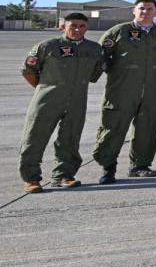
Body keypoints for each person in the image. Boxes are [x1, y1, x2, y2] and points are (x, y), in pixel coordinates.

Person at [18, 13, 103, 193]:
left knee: (70, 139)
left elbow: (94, 75)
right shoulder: (48, 46)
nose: (77, 29)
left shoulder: (94, 49)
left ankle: (64, 175)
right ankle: (31, 179)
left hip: (77, 101)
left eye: (82, 26)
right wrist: (46, 88)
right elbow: (28, 71)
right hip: (47, 101)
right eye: (73, 26)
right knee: (35, 138)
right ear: (63, 26)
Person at [93, 0, 156, 184]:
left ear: (155, 11)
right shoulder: (120, 31)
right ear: (134, 11)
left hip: (151, 90)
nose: (145, 12)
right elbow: (100, 57)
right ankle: (108, 167)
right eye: (142, 8)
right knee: (113, 127)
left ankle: (140, 166)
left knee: (148, 128)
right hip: (122, 89)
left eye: (149, 9)